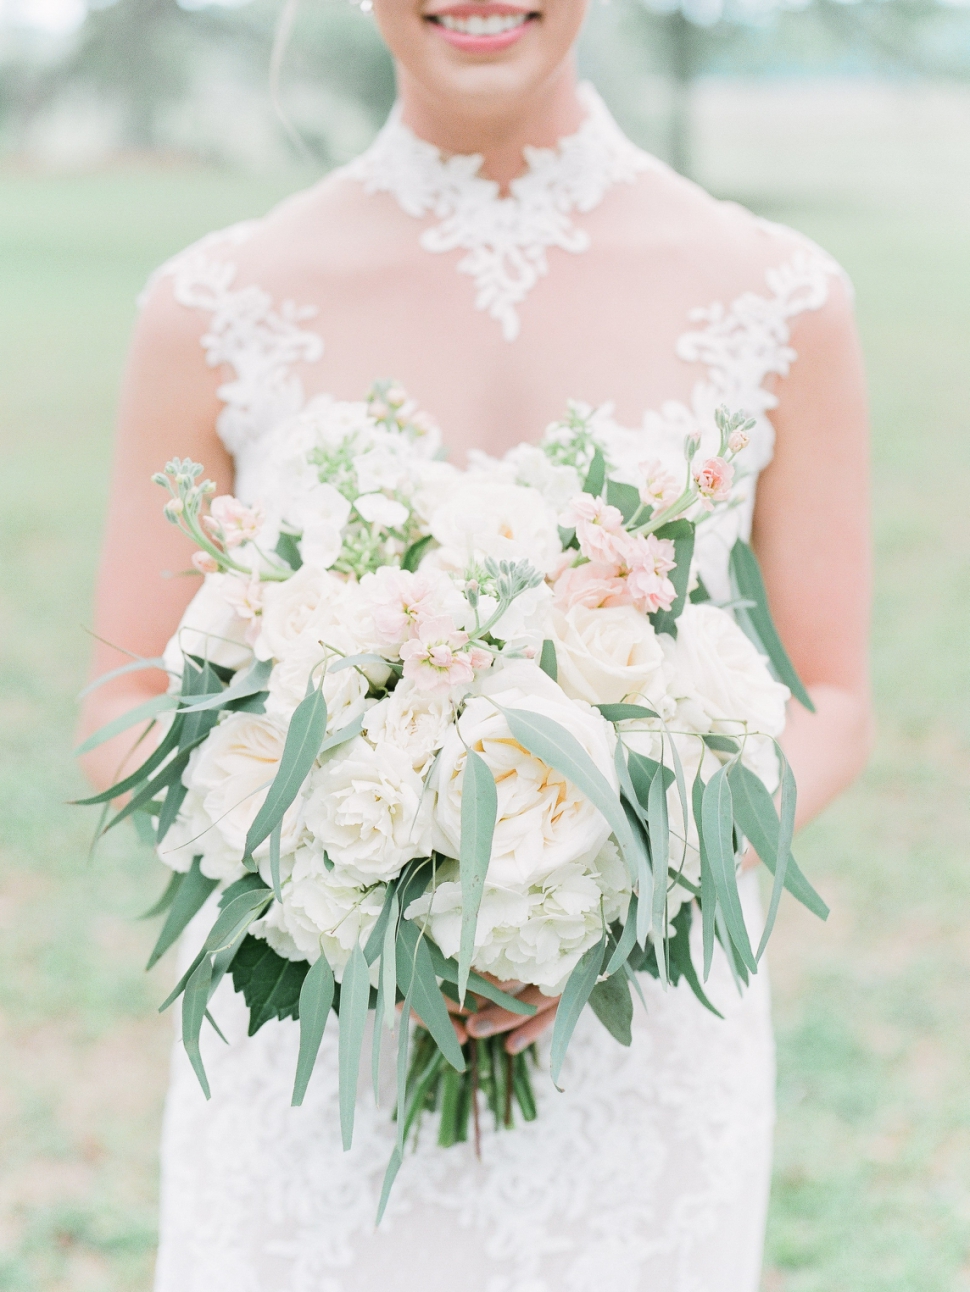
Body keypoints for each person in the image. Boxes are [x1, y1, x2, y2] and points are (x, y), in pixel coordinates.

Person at [79, 0, 872, 1286]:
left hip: (635, 1043)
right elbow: (123, 699)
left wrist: (626, 883)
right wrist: (342, 872)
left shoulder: (775, 296)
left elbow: (830, 692)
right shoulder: (213, 304)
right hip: (320, 1046)